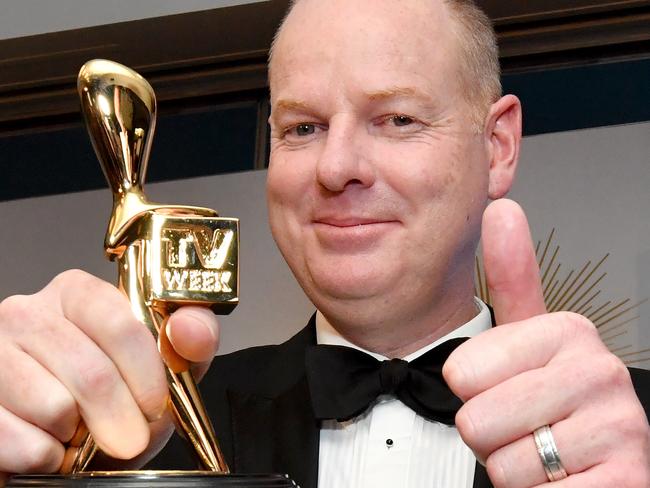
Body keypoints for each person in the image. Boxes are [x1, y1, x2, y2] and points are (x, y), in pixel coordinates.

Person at [0, 0, 648, 487]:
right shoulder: (138, 439)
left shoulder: (633, 438)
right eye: (303, 127)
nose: (336, 167)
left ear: (497, 145)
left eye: (396, 119)